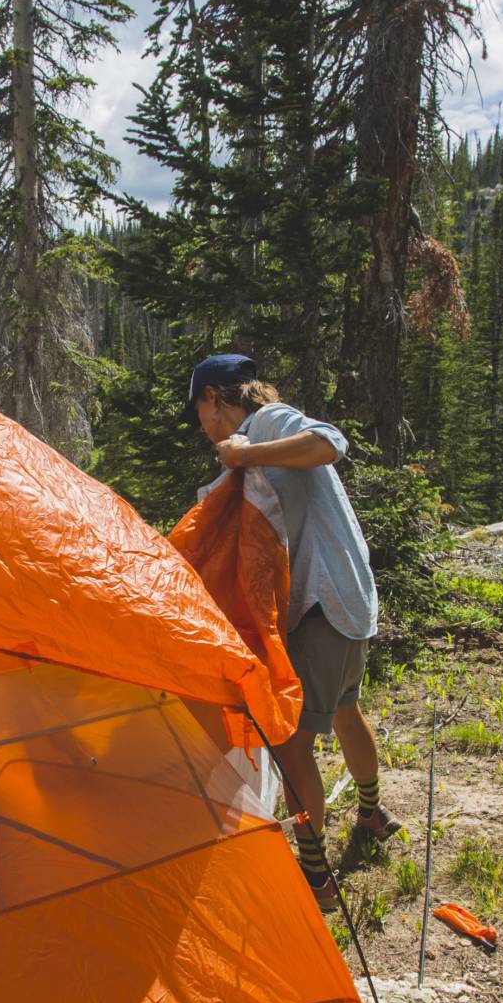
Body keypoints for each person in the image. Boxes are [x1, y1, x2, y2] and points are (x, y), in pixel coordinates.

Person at [183, 354, 399, 910]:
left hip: (326, 606)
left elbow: (329, 442)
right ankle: (372, 814)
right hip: (349, 603)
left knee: (290, 743)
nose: (205, 429)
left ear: (214, 397)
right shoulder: (258, 438)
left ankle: (316, 877)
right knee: (347, 711)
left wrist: (245, 451)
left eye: (201, 414)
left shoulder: (268, 421)